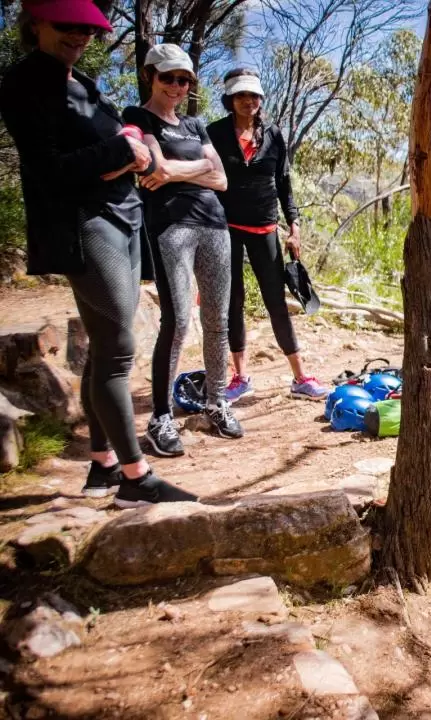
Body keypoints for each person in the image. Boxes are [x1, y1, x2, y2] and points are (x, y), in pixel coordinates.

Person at [0, 2, 196, 505]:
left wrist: (129, 144)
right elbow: (48, 169)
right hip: (86, 225)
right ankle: (135, 478)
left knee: (104, 350)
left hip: (124, 216)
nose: (80, 35)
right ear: (36, 23)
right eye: (68, 26)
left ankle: (103, 465)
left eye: (88, 28)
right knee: (117, 348)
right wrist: (121, 153)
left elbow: (114, 139)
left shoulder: (78, 81)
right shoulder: (25, 84)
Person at [123, 44, 243, 457]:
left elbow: (223, 179)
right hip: (170, 227)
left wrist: (179, 170)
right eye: (168, 78)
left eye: (184, 80)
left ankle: (215, 402)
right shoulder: (137, 117)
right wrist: (195, 169)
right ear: (150, 76)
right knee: (176, 322)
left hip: (214, 225)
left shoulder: (194, 125)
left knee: (218, 321)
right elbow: (155, 169)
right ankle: (160, 417)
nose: (176, 86)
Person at [206, 68, 328, 402]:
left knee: (276, 301)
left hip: (264, 228)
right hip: (225, 228)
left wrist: (295, 225)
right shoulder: (214, 133)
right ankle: (240, 377)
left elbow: (284, 183)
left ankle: (300, 378)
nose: (249, 101)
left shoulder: (273, 134)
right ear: (231, 100)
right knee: (233, 301)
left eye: (254, 96)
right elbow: (204, 178)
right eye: (242, 96)